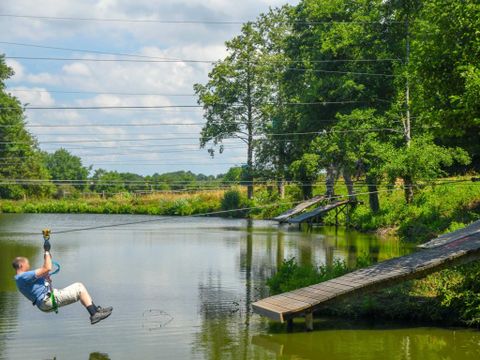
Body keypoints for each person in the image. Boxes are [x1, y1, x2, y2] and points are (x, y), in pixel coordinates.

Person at [12, 239, 113, 325]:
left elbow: (47, 268)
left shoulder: (21, 279)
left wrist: (47, 253)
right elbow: (47, 268)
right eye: (27, 264)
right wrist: (46, 251)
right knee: (79, 287)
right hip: (48, 300)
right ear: (21, 265)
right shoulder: (23, 276)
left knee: (80, 294)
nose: (28, 266)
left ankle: (96, 310)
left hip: (45, 302)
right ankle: (94, 314)